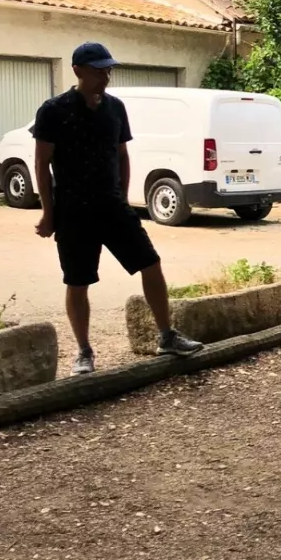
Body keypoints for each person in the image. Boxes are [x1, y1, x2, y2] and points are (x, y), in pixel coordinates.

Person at [32, 42, 203, 375]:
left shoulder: (115, 108)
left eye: (108, 70)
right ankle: (84, 352)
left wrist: (123, 199)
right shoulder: (53, 110)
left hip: (112, 206)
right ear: (78, 71)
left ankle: (166, 335)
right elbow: (41, 163)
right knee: (77, 281)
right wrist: (48, 213)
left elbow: (122, 156)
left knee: (150, 263)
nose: (105, 77)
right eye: (98, 71)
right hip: (73, 210)